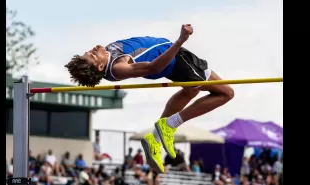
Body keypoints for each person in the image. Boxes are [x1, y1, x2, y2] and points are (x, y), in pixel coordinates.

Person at [65, 24, 234, 173]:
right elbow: (154, 67)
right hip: (175, 59)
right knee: (226, 93)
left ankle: (156, 138)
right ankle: (170, 124)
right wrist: (180, 40)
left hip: (172, 59)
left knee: (191, 91)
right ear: (101, 66)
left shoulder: (108, 56)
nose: (92, 50)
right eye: (92, 55)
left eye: (88, 52)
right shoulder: (118, 67)